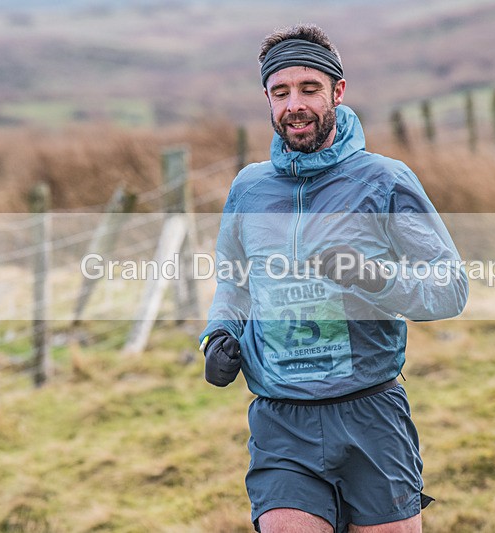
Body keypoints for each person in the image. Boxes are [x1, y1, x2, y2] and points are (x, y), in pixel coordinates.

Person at [199, 23, 468, 533]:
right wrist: (219, 334)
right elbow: (235, 280)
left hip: (371, 413)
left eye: (309, 89)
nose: (294, 104)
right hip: (282, 419)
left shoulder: (384, 181)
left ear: (337, 92)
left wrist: (372, 277)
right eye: (280, 92)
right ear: (267, 99)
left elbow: (450, 289)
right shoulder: (249, 188)